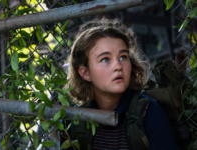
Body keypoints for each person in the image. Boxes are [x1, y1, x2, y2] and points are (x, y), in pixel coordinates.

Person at [62, 18, 176, 149]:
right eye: (105, 59)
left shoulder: (149, 113)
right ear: (85, 73)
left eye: (123, 57)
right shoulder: (75, 122)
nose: (118, 66)